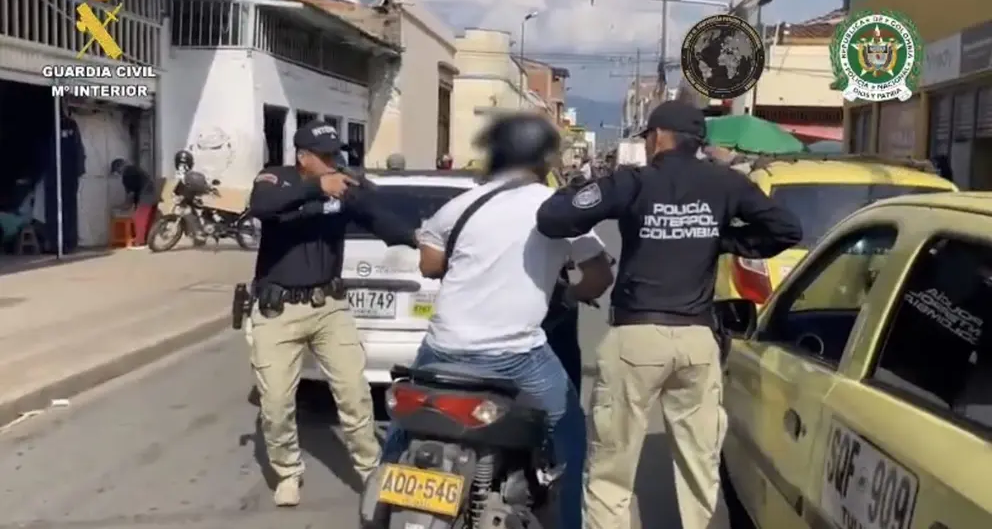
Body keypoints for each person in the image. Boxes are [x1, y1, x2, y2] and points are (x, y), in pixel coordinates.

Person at [535, 101, 804, 529]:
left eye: (646, 136)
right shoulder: (725, 183)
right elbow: (786, 230)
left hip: (636, 339)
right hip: (697, 341)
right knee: (700, 470)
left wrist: (583, 186)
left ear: (658, 137)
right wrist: (723, 240)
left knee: (611, 472)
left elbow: (552, 218)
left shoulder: (634, 183)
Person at [381, 113, 614, 527]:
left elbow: (430, 265)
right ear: (545, 159)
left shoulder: (463, 204)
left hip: (443, 347)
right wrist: (569, 293)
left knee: (405, 428)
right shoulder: (557, 210)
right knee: (569, 432)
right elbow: (598, 277)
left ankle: (384, 489)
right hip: (516, 356)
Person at [246, 119, 419, 507]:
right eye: (324, 157)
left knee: (354, 395)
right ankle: (288, 471)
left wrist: (417, 239)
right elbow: (262, 207)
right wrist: (315, 187)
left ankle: (371, 473)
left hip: (329, 308)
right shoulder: (276, 179)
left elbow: (381, 222)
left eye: (335, 156)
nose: (332, 163)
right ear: (303, 157)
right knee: (274, 404)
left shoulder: (342, 188)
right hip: (278, 311)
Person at [110, 158, 158, 248]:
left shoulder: (127, 173)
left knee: (138, 218)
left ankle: (140, 242)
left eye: (117, 171)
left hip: (146, 197)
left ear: (119, 167)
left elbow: (130, 193)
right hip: (152, 196)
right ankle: (148, 241)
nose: (118, 174)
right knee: (148, 220)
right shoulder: (134, 169)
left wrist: (124, 206)